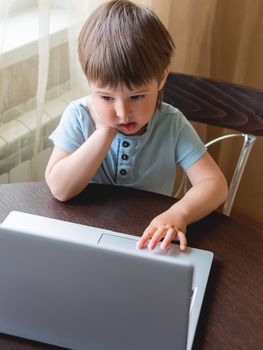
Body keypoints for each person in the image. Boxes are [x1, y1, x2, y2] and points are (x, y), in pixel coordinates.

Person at [45, 0, 228, 252]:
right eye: (106, 97)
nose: (122, 112)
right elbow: (59, 189)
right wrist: (103, 132)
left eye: (137, 96)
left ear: (161, 78)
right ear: (89, 82)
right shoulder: (79, 116)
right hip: (83, 234)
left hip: (145, 239)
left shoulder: (171, 123)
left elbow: (214, 184)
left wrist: (179, 213)